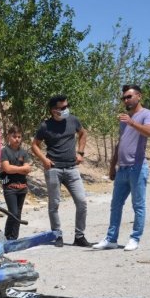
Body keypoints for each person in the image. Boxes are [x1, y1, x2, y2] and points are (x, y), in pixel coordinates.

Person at [92, 84, 150, 252]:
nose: (126, 100)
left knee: (138, 205)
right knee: (116, 204)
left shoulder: (146, 114)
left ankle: (134, 238)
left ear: (139, 96)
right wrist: (112, 166)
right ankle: (111, 239)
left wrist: (132, 122)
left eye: (129, 96)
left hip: (137, 167)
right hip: (123, 169)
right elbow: (120, 143)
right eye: (124, 98)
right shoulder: (124, 119)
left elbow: (149, 132)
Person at [31, 94, 91, 247]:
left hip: (72, 168)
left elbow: (83, 133)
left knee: (82, 202)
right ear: (53, 110)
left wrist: (81, 152)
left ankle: (79, 236)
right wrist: (44, 160)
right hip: (54, 169)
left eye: (67, 106)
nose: (66, 109)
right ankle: (57, 235)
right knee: (54, 204)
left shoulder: (73, 120)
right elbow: (34, 145)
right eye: (62, 108)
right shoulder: (45, 126)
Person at [0, 125, 32, 240]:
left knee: (18, 214)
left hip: (22, 187)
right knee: (12, 212)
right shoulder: (4, 151)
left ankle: (14, 237)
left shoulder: (24, 153)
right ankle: (7, 236)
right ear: (9, 137)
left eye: (19, 137)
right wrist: (21, 169)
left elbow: (28, 169)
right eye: (14, 136)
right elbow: (6, 168)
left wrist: (15, 169)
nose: (17, 139)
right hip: (10, 188)